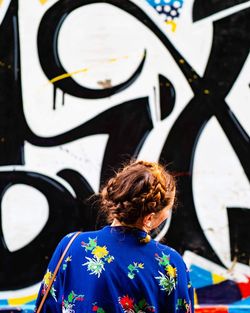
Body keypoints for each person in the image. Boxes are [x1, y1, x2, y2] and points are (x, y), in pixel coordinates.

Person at [35, 160, 194, 313]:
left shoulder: (71, 246)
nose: (168, 214)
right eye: (169, 208)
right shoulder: (170, 263)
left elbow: (47, 306)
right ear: (149, 218)